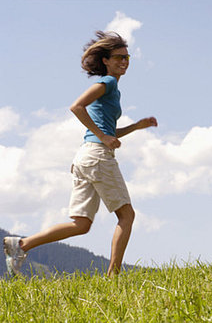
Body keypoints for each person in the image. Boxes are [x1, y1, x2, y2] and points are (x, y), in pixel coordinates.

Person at [3, 31, 157, 277]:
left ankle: (22, 245)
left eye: (127, 57)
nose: (124, 61)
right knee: (126, 216)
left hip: (86, 157)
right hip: (97, 157)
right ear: (105, 60)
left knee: (81, 224)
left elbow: (109, 131)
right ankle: (113, 277)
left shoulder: (112, 89)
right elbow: (77, 106)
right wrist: (104, 137)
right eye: (119, 57)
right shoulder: (108, 83)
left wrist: (135, 126)